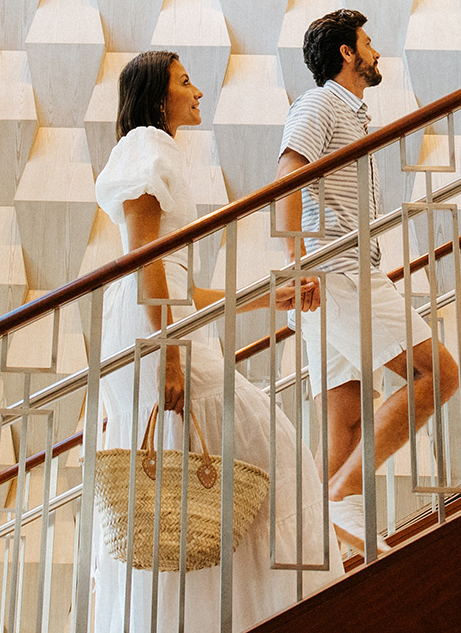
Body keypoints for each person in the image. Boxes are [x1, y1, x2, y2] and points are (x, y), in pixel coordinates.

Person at [91, 50, 343, 632]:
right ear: (158, 97)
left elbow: (177, 282)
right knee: (269, 449)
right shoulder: (148, 149)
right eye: (185, 82)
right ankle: (286, 605)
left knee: (183, 495)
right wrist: (171, 357)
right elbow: (145, 259)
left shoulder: (159, 152)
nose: (198, 91)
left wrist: (264, 297)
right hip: (156, 334)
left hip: (160, 325)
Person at [273, 10, 461, 552]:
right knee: (438, 375)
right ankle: (346, 493)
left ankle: (321, 547)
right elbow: (287, 177)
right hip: (338, 271)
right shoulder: (319, 105)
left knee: (347, 426)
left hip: (338, 276)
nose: (376, 53)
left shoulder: (351, 115)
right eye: (368, 44)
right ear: (346, 54)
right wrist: (297, 263)